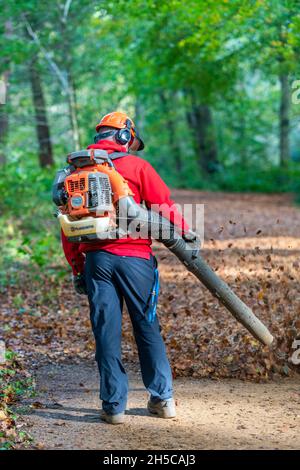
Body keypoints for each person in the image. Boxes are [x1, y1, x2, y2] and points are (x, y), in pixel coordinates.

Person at [61, 111, 191, 424]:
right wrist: (187, 234)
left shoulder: (77, 171)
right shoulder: (137, 166)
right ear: (124, 137)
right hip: (136, 261)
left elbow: (67, 227)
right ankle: (162, 399)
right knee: (146, 325)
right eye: (131, 141)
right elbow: (165, 206)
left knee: (106, 332)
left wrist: (78, 268)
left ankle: (113, 407)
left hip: (97, 261)